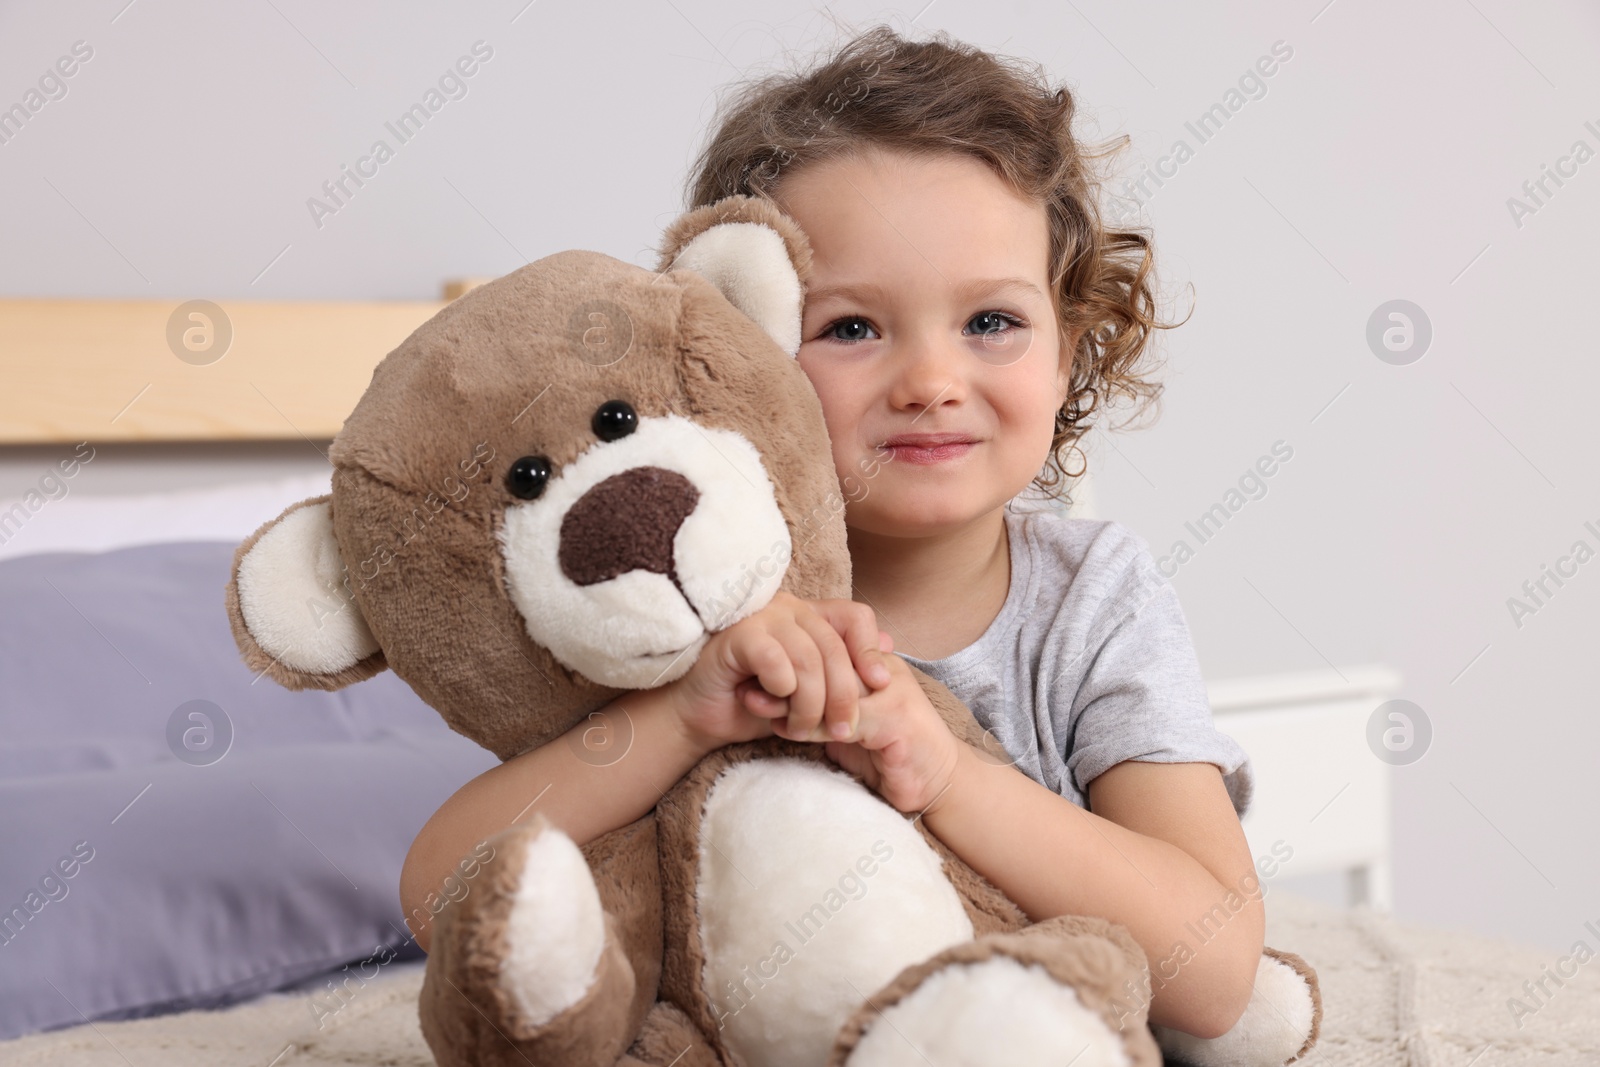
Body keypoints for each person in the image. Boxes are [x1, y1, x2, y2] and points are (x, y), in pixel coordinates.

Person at [402, 24, 1261, 1041]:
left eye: (991, 321)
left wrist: (942, 769)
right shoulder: (691, 597)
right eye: (851, 327)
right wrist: (683, 712)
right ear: (740, 351)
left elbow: (1213, 974)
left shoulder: (1090, 598)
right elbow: (445, 892)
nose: (933, 380)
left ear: (1067, 352)